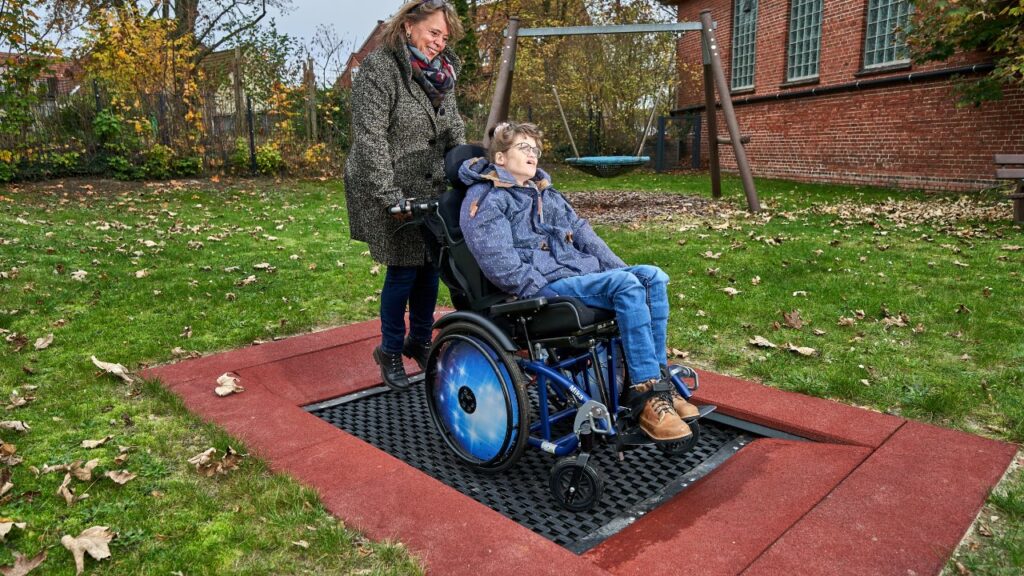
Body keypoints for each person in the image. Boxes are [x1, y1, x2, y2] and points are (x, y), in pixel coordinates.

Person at [458, 121, 698, 441]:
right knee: (626, 286)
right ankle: (646, 397)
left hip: (579, 276)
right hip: (543, 287)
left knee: (651, 277)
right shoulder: (487, 198)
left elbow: (585, 234)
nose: (534, 155)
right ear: (500, 158)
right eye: (524, 148)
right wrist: (535, 288)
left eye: (536, 149)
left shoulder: (546, 193)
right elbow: (496, 258)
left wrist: (621, 269)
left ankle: (659, 385)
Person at [344, 0, 466, 389]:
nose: (439, 43)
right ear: (409, 25)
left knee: (431, 266)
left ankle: (419, 340)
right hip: (386, 183)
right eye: (433, 33)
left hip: (429, 183)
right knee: (402, 271)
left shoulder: (443, 73)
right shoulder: (380, 69)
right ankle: (391, 350)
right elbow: (370, 138)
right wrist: (389, 194)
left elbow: (453, 127)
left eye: (445, 37)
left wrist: (467, 169)